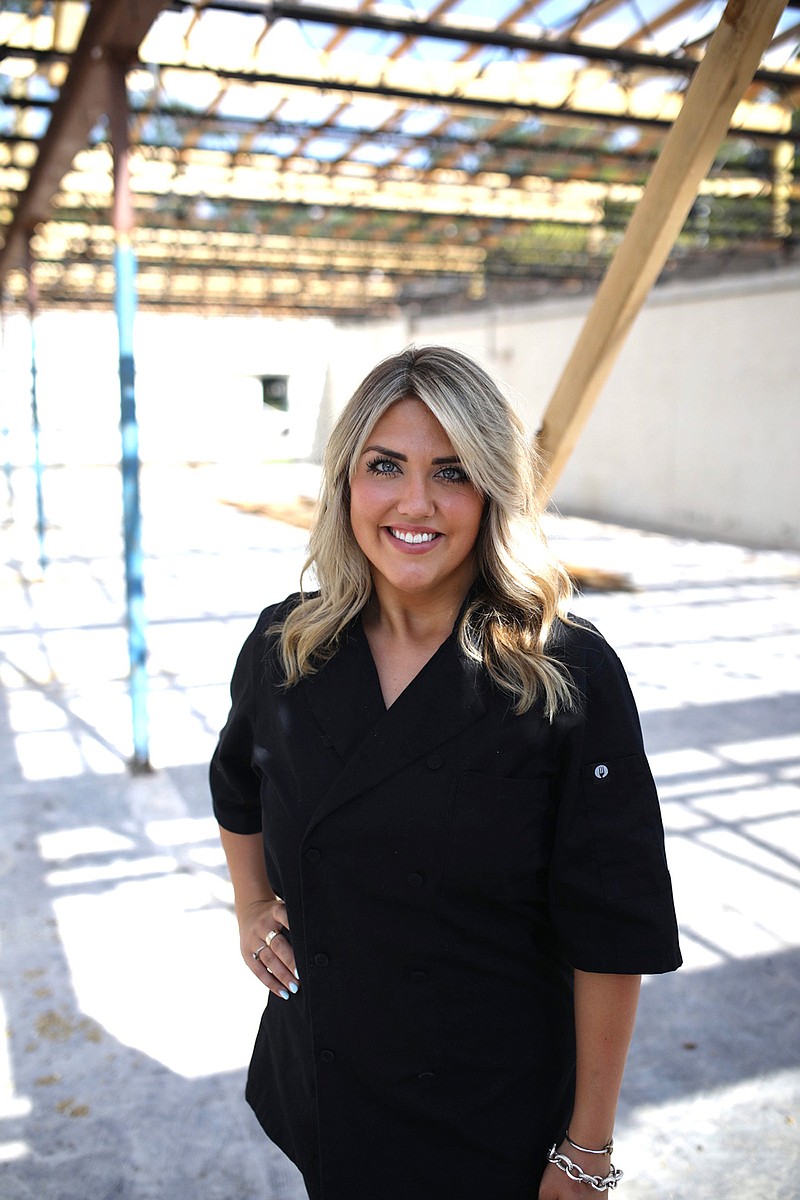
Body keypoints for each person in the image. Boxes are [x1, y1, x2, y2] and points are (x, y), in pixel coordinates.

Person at [210, 344, 682, 1200]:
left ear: (495, 489)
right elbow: (238, 786)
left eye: (454, 472)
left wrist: (586, 1150)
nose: (414, 504)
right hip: (326, 1082)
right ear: (348, 480)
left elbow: (613, 931)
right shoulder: (287, 646)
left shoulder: (563, 676)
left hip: (489, 1112)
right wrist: (249, 906)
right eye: (385, 466)